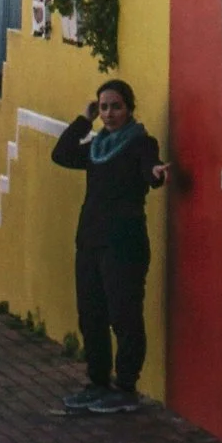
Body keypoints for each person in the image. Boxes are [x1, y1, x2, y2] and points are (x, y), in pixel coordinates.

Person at [51, 75, 168, 415]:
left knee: (124, 315)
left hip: (124, 243)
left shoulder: (141, 144)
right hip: (90, 240)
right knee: (91, 315)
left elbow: (150, 171)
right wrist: (83, 119)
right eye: (104, 108)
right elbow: (61, 154)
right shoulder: (96, 148)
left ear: (129, 108)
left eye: (116, 107)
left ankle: (126, 387)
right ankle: (97, 382)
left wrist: (157, 174)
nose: (110, 113)